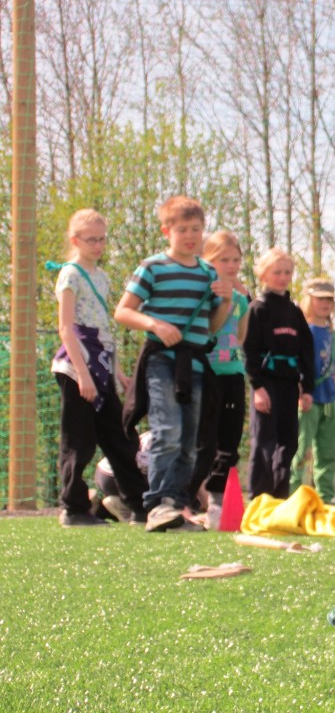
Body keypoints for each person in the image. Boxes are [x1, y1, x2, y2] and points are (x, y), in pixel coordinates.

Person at [115, 196, 233, 532]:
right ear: (167, 231)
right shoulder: (153, 267)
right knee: (167, 431)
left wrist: (224, 300)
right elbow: (123, 311)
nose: (190, 235)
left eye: (196, 229)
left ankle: (177, 505)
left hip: (195, 364)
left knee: (189, 439)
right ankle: (157, 504)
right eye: (182, 229)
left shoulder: (209, 273)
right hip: (162, 362)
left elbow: (212, 326)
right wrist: (155, 325)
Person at [50, 209, 148, 527]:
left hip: (102, 369)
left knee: (120, 436)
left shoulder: (102, 278)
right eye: (92, 239)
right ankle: (74, 507)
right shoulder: (70, 275)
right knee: (78, 439)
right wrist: (81, 374)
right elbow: (66, 328)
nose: (99, 245)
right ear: (76, 240)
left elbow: (106, 328)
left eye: (103, 238)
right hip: (76, 368)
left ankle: (138, 504)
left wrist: (117, 372)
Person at [242, 248, 315, 500]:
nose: (283, 277)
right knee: (265, 441)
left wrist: (307, 388)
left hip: (289, 383)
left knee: (289, 442)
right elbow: (248, 350)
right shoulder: (257, 308)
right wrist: (257, 387)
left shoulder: (295, 313)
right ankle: (258, 498)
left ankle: (279, 495)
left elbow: (307, 351)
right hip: (266, 384)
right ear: (263, 274)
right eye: (277, 272)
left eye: (287, 272)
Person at [190, 230, 251, 529]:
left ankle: (217, 500)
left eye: (235, 259)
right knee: (204, 439)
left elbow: (239, 337)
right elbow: (209, 330)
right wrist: (223, 303)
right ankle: (189, 499)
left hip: (234, 374)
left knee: (230, 439)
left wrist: (235, 301)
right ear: (207, 261)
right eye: (222, 259)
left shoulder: (242, 298)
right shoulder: (205, 294)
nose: (230, 265)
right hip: (206, 373)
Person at [289, 277, 335, 502]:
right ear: (309, 299)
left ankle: (326, 497)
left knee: (329, 452)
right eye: (320, 298)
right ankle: (293, 495)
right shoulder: (302, 330)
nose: (326, 303)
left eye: (330, 299)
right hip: (307, 398)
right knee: (300, 449)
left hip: (331, 399)